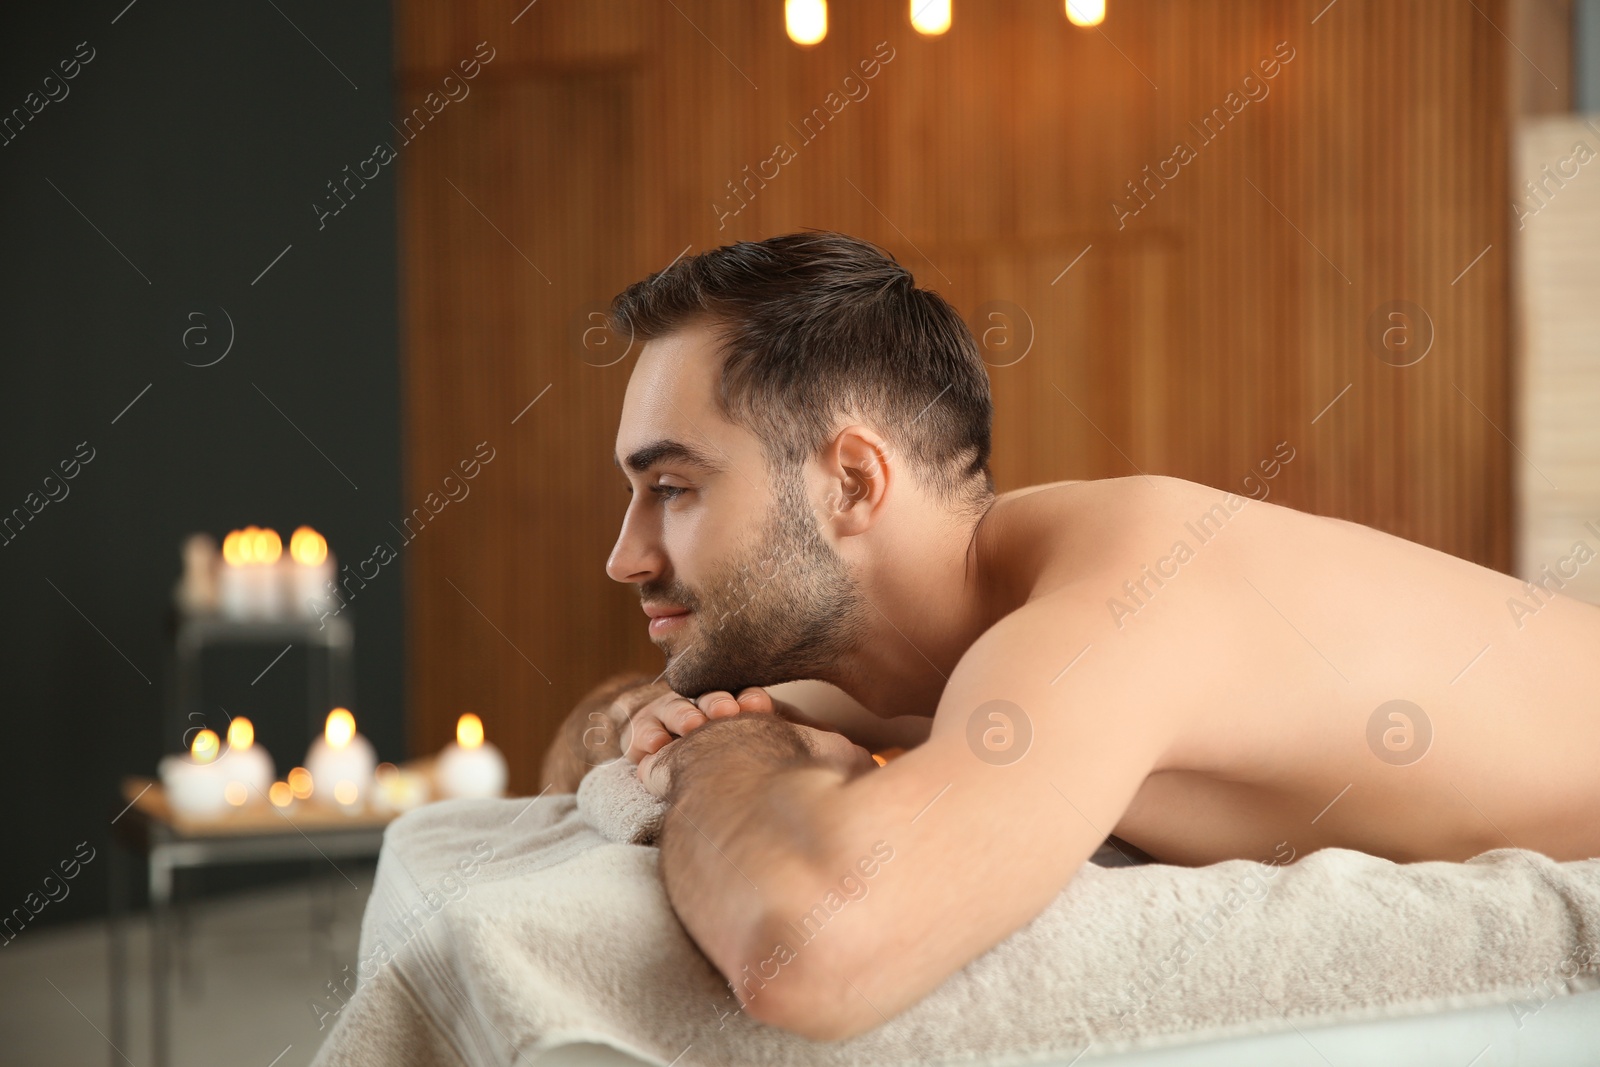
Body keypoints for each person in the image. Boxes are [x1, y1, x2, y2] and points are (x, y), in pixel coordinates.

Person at [561, 230, 1600, 1041]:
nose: (624, 555)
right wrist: (704, 730)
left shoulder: (1117, 606)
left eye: (673, 487)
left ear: (849, 481)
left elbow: (812, 944)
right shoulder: (940, 655)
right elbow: (603, 735)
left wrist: (725, 747)